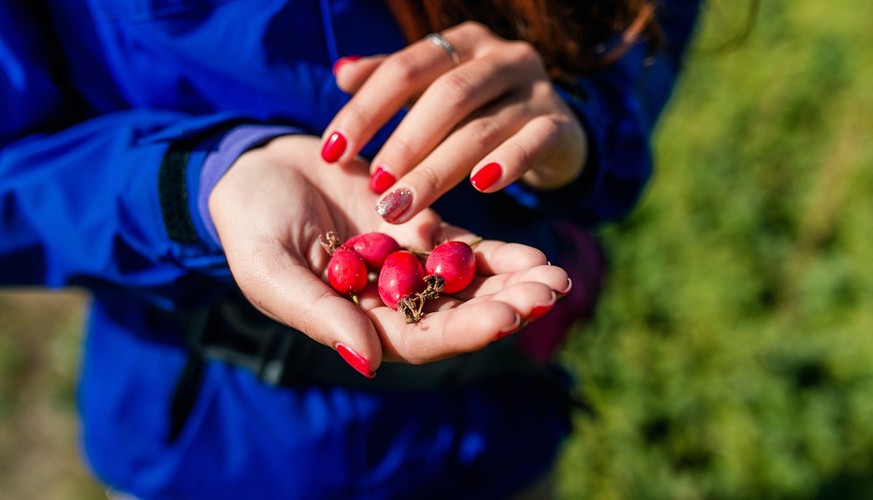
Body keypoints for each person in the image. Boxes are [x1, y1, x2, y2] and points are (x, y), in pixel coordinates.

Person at [0, 0, 701, 498]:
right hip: (209, 455)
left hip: (485, 433)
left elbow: (642, 32)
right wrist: (199, 183)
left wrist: (579, 123)